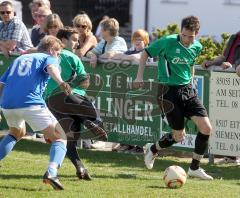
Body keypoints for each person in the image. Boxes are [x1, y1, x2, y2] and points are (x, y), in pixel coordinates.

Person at [133, 16, 213, 180]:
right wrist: (139, 77)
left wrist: (191, 82)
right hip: (167, 91)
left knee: (206, 128)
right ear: (181, 31)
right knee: (179, 136)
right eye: (184, 35)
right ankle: (153, 149)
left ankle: (194, 168)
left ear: (196, 34)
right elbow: (145, 54)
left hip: (188, 91)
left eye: (190, 36)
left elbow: (191, 64)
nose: (186, 39)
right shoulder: (168, 41)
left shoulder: (197, 46)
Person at [0, 35, 72, 190]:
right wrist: (60, 82)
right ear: (52, 50)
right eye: (58, 53)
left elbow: (1, 83)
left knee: (16, 132)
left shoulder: (19, 59)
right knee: (61, 136)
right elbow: (52, 68)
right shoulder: (48, 57)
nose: (58, 57)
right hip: (30, 103)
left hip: (7, 104)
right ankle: (52, 172)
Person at [44, 27, 108, 180]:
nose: (77, 43)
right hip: (73, 96)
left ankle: (80, 168)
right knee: (97, 120)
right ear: (63, 41)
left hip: (52, 101)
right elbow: (84, 82)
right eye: (74, 39)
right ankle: (87, 121)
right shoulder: (72, 57)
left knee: (69, 141)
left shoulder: (47, 56)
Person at [202, 31, 240, 165]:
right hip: (228, 83)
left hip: (236, 81)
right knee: (230, 120)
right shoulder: (234, 37)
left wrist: (234, 65)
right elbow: (224, 57)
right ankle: (231, 157)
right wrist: (211, 62)